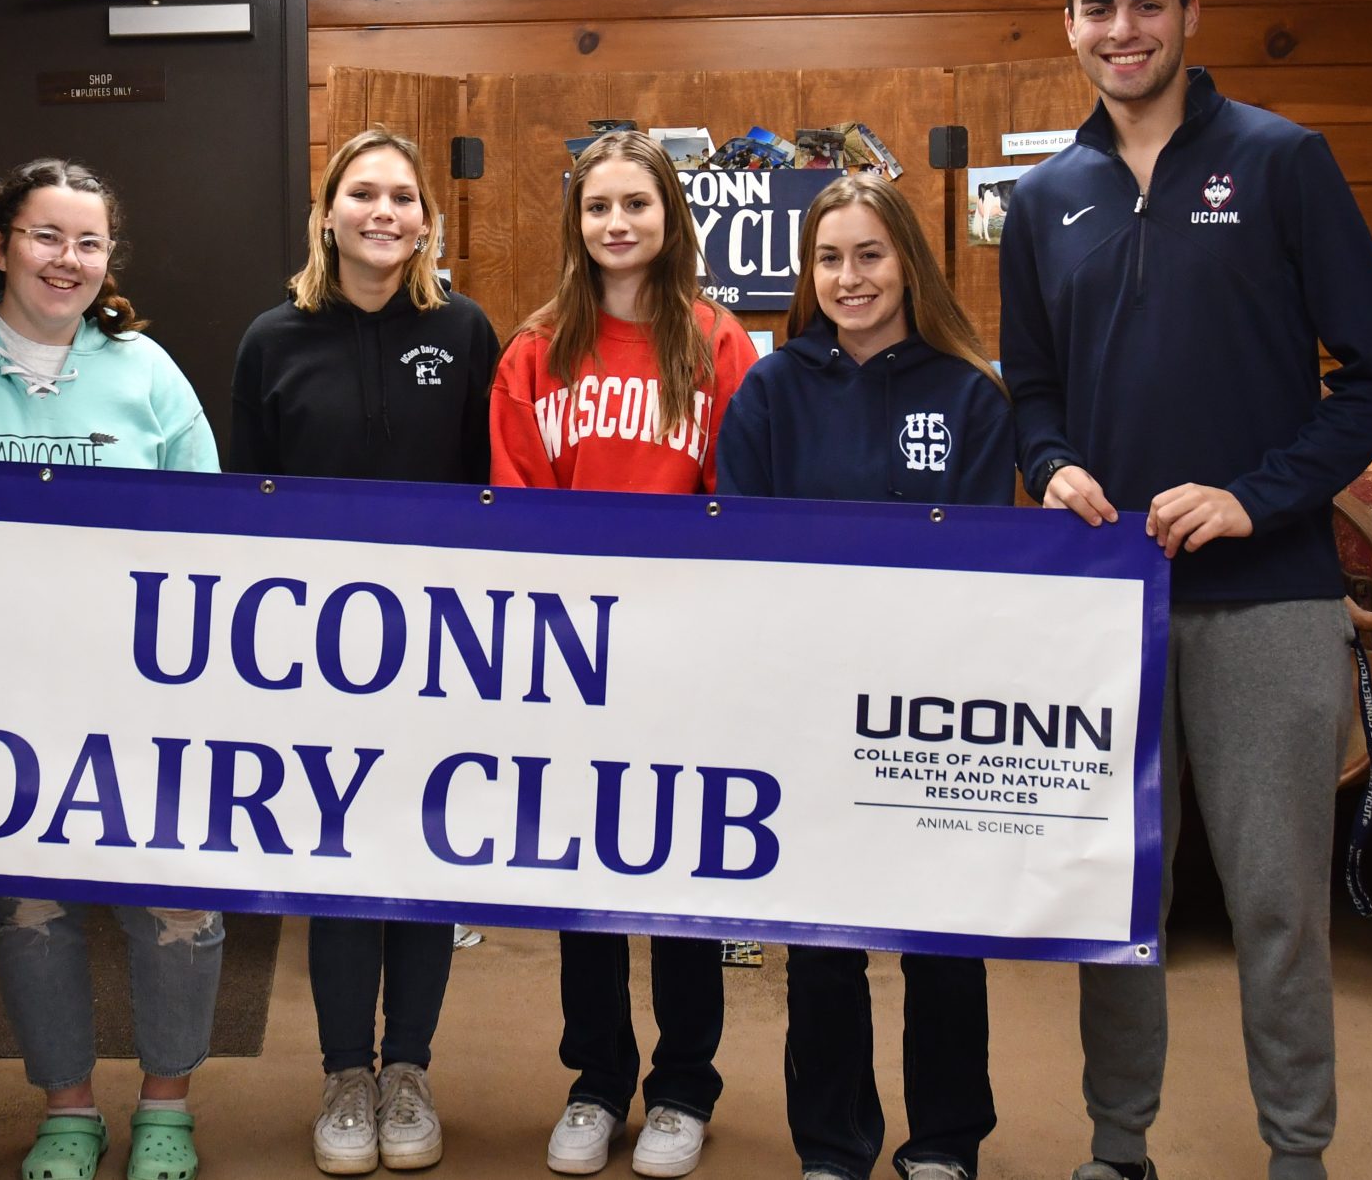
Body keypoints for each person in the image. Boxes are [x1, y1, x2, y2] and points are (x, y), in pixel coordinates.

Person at [997, 0, 1372, 1180]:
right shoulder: (1044, 198)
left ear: (1187, 14)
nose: (1119, 30)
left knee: (1277, 904)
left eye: (1142, 3)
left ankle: (1298, 1152)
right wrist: (1048, 462)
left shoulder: (1283, 163)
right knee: (1118, 903)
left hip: (1268, 600)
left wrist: (1254, 497)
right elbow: (1029, 389)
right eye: (1094, 9)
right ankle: (1117, 1145)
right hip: (1109, 606)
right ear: (1067, 24)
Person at [0, 158, 220, 1180]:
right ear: (0, 245)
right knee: (32, 902)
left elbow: (209, 528)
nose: (67, 260)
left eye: (87, 242)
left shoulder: (148, 373)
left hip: (142, 687)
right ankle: (68, 1109)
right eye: (45, 236)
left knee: (175, 893)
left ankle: (167, 1105)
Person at [715, 174, 1009, 1180]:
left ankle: (943, 1143)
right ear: (807, 273)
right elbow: (741, 551)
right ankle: (832, 1146)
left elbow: (979, 567)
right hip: (807, 710)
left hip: (932, 710)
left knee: (940, 939)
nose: (850, 278)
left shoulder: (969, 393)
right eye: (829, 258)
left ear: (908, 265)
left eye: (870, 255)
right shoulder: (770, 388)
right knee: (823, 944)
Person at [228, 126, 500, 1176]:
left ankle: (410, 1071)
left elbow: (491, 493)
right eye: (362, 193)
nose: (382, 211)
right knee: (340, 861)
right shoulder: (270, 339)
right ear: (328, 214)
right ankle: (347, 1073)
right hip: (311, 651)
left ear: (424, 220)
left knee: (423, 858)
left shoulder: (466, 331)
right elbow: (245, 504)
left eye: (400, 196)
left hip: (441, 647)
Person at [489, 130, 757, 1180]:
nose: (616, 223)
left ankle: (684, 1086)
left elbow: (738, 499)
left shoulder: (718, 342)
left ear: (668, 216)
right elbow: (513, 506)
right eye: (597, 206)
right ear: (576, 221)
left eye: (635, 204)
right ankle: (597, 1081)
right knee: (585, 882)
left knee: (681, 875)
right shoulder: (536, 347)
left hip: (685, 652)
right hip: (573, 653)